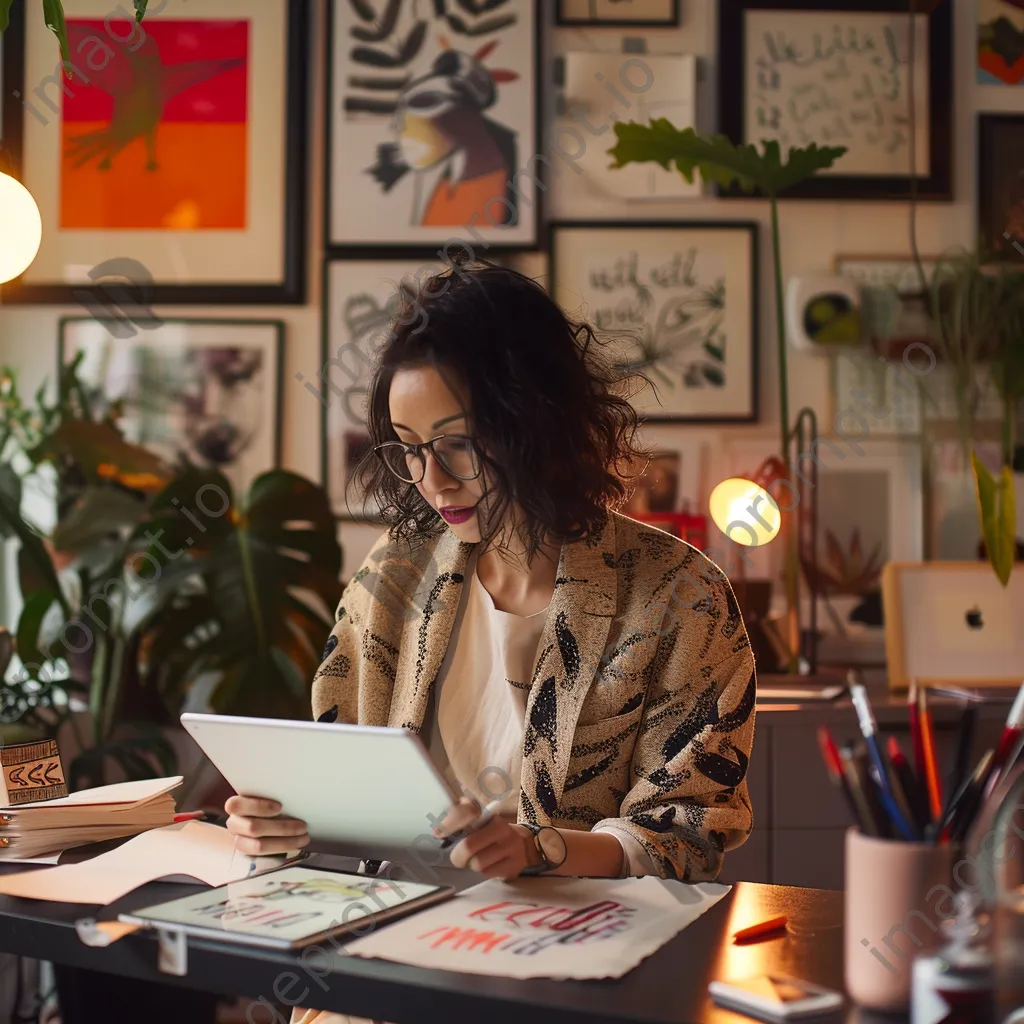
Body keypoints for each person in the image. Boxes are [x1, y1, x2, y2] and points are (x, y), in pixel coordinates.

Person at [225, 259, 756, 1024]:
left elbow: (685, 832)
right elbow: (340, 773)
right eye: (407, 448)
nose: (431, 478)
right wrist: (280, 820)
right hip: (392, 965)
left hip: (568, 975)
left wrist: (540, 848)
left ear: (534, 422)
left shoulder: (680, 595)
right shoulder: (392, 582)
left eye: (458, 444)